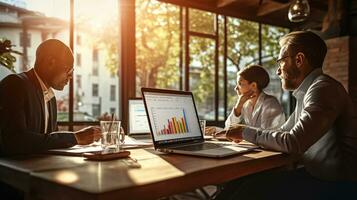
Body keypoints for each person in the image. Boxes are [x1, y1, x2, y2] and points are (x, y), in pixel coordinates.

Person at [215, 31, 357, 199]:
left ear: (299, 60)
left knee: (250, 190)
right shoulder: (310, 91)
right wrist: (238, 132)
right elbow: (283, 131)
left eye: (280, 62)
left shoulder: (323, 89)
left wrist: (243, 132)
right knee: (238, 182)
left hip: (337, 186)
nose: (277, 71)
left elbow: (293, 141)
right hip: (317, 175)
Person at [0, 39, 102, 156]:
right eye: (69, 71)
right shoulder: (15, 84)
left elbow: (50, 141)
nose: (70, 77)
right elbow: (15, 140)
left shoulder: (51, 98)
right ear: (50, 63)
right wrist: (75, 138)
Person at [206, 65, 285, 136]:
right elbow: (230, 129)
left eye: (240, 84)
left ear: (253, 85)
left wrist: (241, 131)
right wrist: (238, 105)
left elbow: (265, 136)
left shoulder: (270, 103)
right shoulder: (246, 104)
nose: (236, 88)